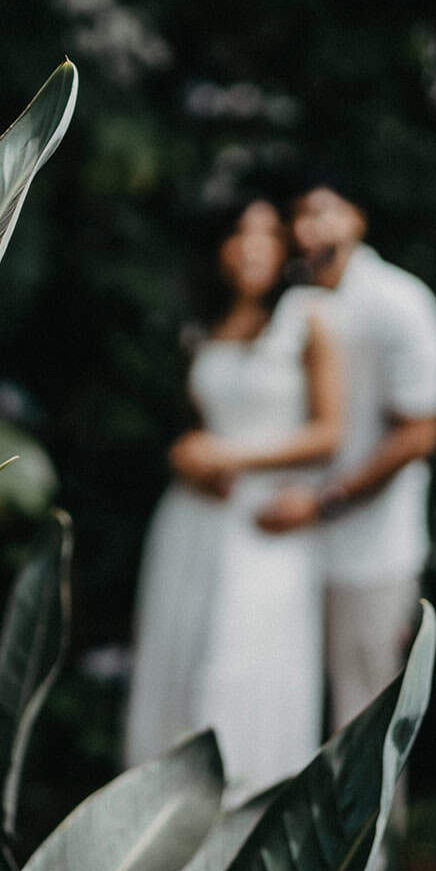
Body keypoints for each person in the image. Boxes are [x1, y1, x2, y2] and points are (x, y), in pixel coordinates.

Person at [123, 199, 342, 797]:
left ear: (285, 248)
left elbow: (329, 432)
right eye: (238, 233)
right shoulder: (203, 323)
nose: (251, 247)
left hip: (266, 525)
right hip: (192, 521)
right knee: (179, 657)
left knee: (242, 664)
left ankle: (243, 808)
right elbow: (189, 429)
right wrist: (188, 458)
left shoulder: (308, 316)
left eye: (266, 234)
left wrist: (230, 456)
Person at [258, 185, 436, 733]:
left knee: (364, 721)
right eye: (297, 214)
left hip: (372, 554)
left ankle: (377, 824)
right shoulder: (292, 302)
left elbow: (418, 435)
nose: (307, 229)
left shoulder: (400, 300)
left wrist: (324, 502)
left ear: (357, 219)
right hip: (284, 546)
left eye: (322, 212)